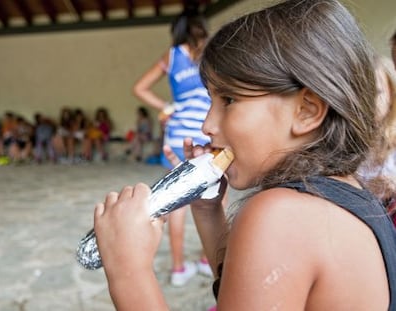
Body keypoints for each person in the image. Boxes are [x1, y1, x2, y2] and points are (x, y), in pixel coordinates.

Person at [94, 0, 396, 309]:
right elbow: (241, 291)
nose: (206, 125)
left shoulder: (281, 215)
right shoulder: (350, 192)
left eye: (228, 99)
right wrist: (208, 212)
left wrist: (128, 271)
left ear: (307, 110)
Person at [132, 11, 213, 285]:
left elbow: (140, 88)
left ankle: (178, 269)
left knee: (177, 202)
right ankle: (207, 259)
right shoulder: (212, 53)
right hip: (206, 132)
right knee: (214, 197)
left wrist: (166, 107)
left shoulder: (172, 56)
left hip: (177, 133)